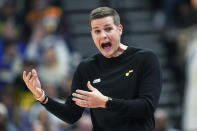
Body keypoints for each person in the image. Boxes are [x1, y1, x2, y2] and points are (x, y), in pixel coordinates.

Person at [23, 7, 162, 131]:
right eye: (97, 31)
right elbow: (72, 115)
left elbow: (147, 107)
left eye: (108, 29)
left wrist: (106, 102)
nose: (103, 35)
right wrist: (42, 97)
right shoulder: (86, 68)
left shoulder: (144, 59)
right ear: (92, 35)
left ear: (119, 30)